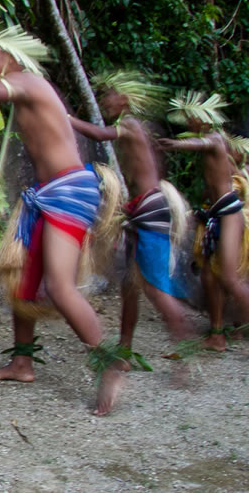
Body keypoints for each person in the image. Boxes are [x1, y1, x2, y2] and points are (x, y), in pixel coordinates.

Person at [0, 26, 126, 415]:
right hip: (48, 192)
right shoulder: (25, 90)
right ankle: (22, 362)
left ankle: (109, 364)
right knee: (22, 282)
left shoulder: (28, 82)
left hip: (68, 190)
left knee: (60, 287)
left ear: (12, 58)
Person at [67, 72, 195, 358]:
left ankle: (186, 355)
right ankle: (124, 351)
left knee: (154, 289)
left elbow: (99, 134)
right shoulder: (134, 126)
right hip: (142, 208)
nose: (103, 101)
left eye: (108, 95)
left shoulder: (130, 124)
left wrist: (67, 118)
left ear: (123, 99)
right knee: (130, 287)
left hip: (150, 208)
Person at [159, 92, 249, 350]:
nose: (189, 122)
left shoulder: (215, 138)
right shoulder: (213, 145)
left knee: (230, 278)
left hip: (229, 214)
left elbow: (200, 144)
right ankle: (217, 334)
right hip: (214, 214)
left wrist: (175, 145)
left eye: (192, 118)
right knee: (209, 276)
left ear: (205, 119)